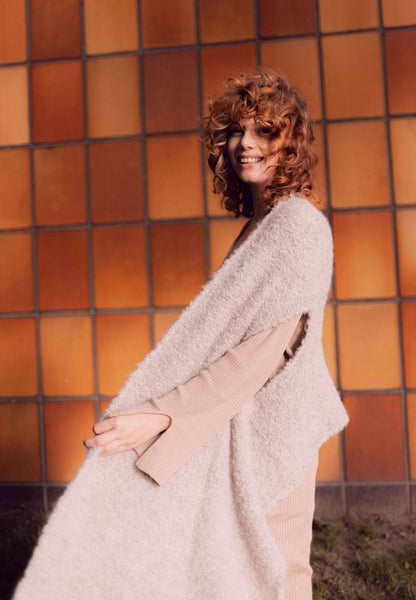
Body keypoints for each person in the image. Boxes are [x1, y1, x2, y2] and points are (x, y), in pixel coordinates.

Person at [13, 69, 348, 600]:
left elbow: (266, 349)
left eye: (265, 131)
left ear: (292, 144)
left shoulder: (300, 226)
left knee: (278, 569)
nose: (247, 144)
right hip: (245, 417)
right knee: (239, 565)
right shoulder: (264, 225)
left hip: (276, 423)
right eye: (238, 131)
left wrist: (163, 412)